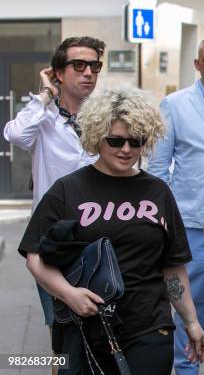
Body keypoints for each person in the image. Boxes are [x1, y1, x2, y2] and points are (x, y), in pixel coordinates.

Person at [17, 86, 204, 374]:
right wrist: (69, 294)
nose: (127, 150)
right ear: (97, 136)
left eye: (136, 141)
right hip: (86, 330)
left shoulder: (158, 192)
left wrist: (191, 322)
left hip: (150, 328)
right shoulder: (67, 190)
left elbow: (172, 266)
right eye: (116, 141)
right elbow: (35, 257)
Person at [4, 36, 105, 344]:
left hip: (102, 233)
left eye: (95, 65)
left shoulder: (104, 117)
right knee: (61, 337)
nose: (88, 72)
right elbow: (16, 134)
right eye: (78, 65)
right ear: (60, 72)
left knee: (104, 330)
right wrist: (46, 93)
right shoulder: (42, 116)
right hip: (55, 241)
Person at [147, 35, 204, 375]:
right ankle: (186, 371)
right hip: (192, 227)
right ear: (197, 64)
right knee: (189, 312)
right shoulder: (175, 104)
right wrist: (170, 220)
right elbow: (157, 170)